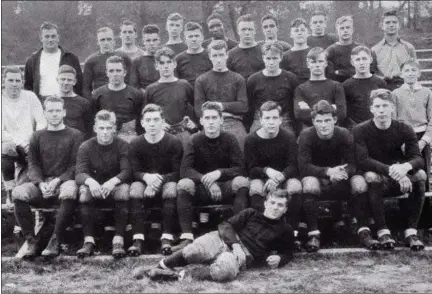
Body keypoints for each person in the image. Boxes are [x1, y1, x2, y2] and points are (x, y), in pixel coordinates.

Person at [136, 189, 294, 282]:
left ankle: (172, 276)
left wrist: (280, 258)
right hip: (222, 239)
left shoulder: (285, 229)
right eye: (272, 203)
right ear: (266, 203)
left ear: (286, 209)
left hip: (243, 255)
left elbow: (288, 252)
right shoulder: (251, 213)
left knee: (226, 271)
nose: (275, 208)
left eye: (280, 205)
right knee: (192, 251)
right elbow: (226, 226)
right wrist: (236, 245)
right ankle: (157, 267)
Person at [354, 89, 426, 251]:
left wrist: (405, 168)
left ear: (392, 108)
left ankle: (411, 232)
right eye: (377, 106)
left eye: (385, 106)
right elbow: (363, 160)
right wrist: (393, 171)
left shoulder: (404, 128)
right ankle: (382, 230)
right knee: (372, 177)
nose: (381, 111)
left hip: (398, 175)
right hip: (377, 175)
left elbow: (418, 158)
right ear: (371, 109)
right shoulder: (361, 129)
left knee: (420, 175)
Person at [12, 96, 83, 259]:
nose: (54, 114)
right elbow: (33, 165)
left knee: (70, 191)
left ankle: (55, 240)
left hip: (64, 181)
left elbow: (75, 165)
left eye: (58, 110)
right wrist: (40, 183)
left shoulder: (75, 135)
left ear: (64, 112)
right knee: (18, 193)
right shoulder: (37, 136)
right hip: (42, 184)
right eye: (50, 111)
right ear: (45, 113)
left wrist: (58, 180)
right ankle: (31, 240)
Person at [174, 102, 249, 252]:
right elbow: (185, 170)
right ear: (201, 121)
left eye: (214, 117)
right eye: (207, 118)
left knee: (242, 182)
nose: (211, 121)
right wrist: (205, 180)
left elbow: (240, 168)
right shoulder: (194, 139)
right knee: (183, 184)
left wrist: (219, 173)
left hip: (224, 186)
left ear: (221, 120)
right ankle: (187, 237)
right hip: (201, 188)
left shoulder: (230, 139)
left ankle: (236, 235)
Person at [298, 100, 369, 252]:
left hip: (340, 177)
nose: (323, 125)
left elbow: (353, 164)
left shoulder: (343, 133)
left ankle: (363, 229)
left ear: (335, 120)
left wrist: (342, 173)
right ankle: (313, 233)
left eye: (327, 120)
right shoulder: (306, 135)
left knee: (359, 182)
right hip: (316, 176)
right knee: (309, 183)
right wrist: (328, 171)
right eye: (319, 121)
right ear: (313, 121)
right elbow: (303, 166)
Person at [128, 104, 183, 256]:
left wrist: (158, 180)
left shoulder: (173, 142)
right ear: (142, 123)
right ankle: (137, 239)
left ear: (162, 122)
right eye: (148, 120)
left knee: (171, 189)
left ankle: (166, 237)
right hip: (144, 181)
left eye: (156, 120)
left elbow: (178, 171)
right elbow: (133, 171)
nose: (152, 124)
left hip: (166, 180)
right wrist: (146, 177)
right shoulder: (135, 143)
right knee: (135, 190)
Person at [75, 110, 131, 258]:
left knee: (124, 191)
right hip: (95, 187)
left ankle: (118, 240)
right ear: (95, 128)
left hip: (115, 187)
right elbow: (79, 173)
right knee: (84, 193)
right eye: (101, 128)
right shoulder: (86, 146)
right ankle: (88, 241)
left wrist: (113, 182)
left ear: (114, 128)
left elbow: (127, 171)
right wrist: (91, 182)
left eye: (108, 128)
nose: (105, 132)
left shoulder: (123, 145)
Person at [244, 102, 302, 243]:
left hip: (284, 176)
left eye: (275, 118)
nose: (271, 122)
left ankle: (292, 232)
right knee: (255, 188)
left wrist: (279, 178)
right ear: (261, 120)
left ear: (280, 120)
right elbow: (251, 169)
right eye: (267, 118)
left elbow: (293, 165)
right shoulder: (251, 139)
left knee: (295, 186)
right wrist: (267, 171)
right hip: (261, 177)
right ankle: (262, 233)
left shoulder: (288, 137)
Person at [2, 67, 47, 202]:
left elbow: (41, 121)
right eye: (10, 80)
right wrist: (19, 143)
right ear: (3, 81)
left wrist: (33, 140)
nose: (14, 84)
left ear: (22, 82)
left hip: (31, 144)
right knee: (6, 148)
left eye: (18, 80)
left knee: (27, 183)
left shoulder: (30, 97)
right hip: (11, 145)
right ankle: (9, 189)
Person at [194, 40, 248, 149]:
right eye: (215, 55)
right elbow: (199, 110)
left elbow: (243, 106)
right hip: (211, 122)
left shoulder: (238, 78)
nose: (218, 59)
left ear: (227, 55)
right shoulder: (201, 80)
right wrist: (220, 114)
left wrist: (221, 106)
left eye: (221, 55)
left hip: (233, 122)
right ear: (210, 56)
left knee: (241, 144)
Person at [144, 47, 197, 147]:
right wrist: (158, 124)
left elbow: (196, 107)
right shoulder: (151, 89)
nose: (166, 66)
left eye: (169, 62)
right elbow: (145, 114)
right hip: (162, 135)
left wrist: (194, 123)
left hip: (183, 134)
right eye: (162, 63)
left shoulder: (184, 84)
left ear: (174, 64)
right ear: (156, 66)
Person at [247, 42, 299, 133]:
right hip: (260, 118)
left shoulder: (290, 78)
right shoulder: (253, 80)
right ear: (263, 58)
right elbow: (250, 106)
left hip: (283, 119)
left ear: (281, 58)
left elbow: (294, 104)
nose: (271, 62)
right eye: (268, 58)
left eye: (275, 58)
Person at [24, 22, 83, 100]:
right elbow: (28, 87)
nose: (50, 39)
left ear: (58, 37)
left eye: (53, 36)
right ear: (41, 38)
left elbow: (79, 83)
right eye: (47, 37)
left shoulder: (71, 58)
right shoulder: (32, 60)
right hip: (41, 102)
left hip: (66, 101)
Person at [93, 55, 144, 142]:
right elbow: (94, 121)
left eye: (118, 71)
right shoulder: (97, 94)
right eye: (111, 71)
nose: (115, 74)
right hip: (105, 138)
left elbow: (140, 124)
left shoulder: (136, 94)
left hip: (129, 138)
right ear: (107, 73)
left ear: (124, 72)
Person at [294, 47, 346, 131]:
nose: (317, 65)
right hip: (310, 130)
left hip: (332, 130)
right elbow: (299, 114)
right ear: (308, 64)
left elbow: (342, 113)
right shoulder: (300, 89)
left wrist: (309, 109)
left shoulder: (336, 86)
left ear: (326, 63)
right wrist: (331, 108)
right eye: (313, 62)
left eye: (320, 61)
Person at [342, 46, 387, 129]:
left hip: (377, 127)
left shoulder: (380, 83)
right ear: (352, 62)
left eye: (364, 59)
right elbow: (346, 113)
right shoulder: (346, 85)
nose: (361, 63)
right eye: (358, 60)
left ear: (370, 59)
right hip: (356, 129)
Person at [371, 10, 417, 91]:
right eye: (388, 22)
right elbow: (372, 73)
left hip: (404, 87)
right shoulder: (375, 49)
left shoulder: (409, 47)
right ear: (382, 26)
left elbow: (415, 70)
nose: (391, 25)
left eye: (394, 22)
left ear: (399, 25)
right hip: (384, 88)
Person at [82, 27, 132, 100]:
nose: (106, 43)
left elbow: (131, 82)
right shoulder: (91, 61)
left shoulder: (124, 57)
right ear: (98, 42)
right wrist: (92, 103)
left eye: (109, 39)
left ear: (113, 40)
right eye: (102, 40)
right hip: (100, 100)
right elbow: (86, 88)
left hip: (122, 98)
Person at [57, 65, 92, 137]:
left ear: (74, 81)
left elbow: (89, 129)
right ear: (57, 80)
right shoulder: (51, 102)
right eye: (63, 79)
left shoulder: (84, 103)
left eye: (69, 80)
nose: (66, 82)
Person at [175, 22, 212, 88]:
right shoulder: (178, 59)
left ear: (202, 37)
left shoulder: (211, 56)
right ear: (185, 39)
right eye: (190, 36)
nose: (194, 39)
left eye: (196, 36)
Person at [227, 14, 265, 80]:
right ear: (238, 31)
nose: (247, 33)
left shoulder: (264, 51)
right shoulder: (230, 55)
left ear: (255, 31)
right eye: (243, 29)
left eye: (250, 29)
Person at [326, 16, 361, 83]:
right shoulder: (331, 50)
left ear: (352, 30)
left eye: (348, 27)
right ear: (337, 31)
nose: (345, 30)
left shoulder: (359, 48)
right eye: (342, 28)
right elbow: (330, 74)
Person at [130, 24, 161, 93]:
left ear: (159, 40)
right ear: (143, 41)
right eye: (148, 40)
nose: (152, 43)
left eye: (154, 40)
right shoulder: (137, 62)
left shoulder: (164, 60)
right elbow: (134, 87)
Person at [280, 18, 311, 85]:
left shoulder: (313, 53)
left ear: (308, 33)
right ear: (291, 34)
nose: (299, 33)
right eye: (296, 31)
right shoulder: (284, 56)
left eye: (302, 30)